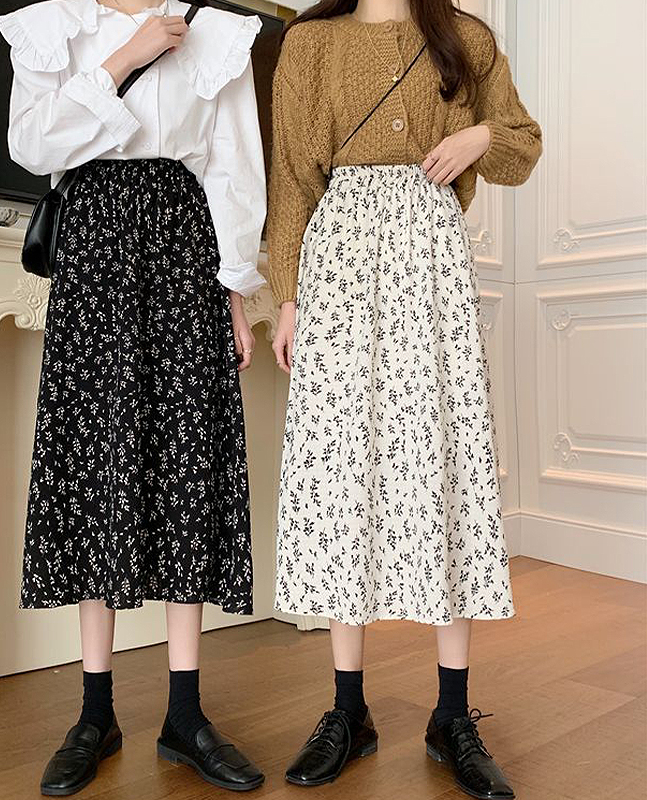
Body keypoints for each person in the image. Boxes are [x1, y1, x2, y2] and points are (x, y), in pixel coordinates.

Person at [266, 0, 541, 796]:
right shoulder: (309, 43)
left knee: (443, 462)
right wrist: (288, 299)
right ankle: (347, 710)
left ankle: (451, 714)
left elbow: (522, 145)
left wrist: (479, 136)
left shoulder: (466, 37)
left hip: (431, 259)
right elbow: (292, 178)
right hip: (338, 261)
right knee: (338, 474)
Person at [0, 0, 267, 794]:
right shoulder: (50, 26)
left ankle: (185, 715)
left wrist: (234, 292)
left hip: (184, 247)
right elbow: (31, 144)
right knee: (96, 464)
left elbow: (233, 166)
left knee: (186, 466)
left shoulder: (215, 31)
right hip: (92, 248)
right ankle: (95, 714)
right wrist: (125, 57)